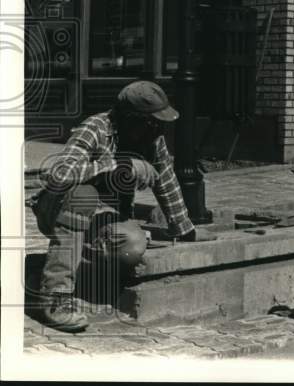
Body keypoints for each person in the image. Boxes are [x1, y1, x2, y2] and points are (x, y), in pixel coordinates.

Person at [27, 80, 216, 332]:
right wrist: (117, 165)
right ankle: (54, 298)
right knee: (83, 195)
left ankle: (50, 267)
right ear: (130, 118)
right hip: (58, 209)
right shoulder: (96, 128)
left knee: (131, 246)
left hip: (103, 217)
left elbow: (166, 181)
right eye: (152, 121)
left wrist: (185, 229)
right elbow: (59, 174)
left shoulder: (152, 137)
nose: (159, 128)